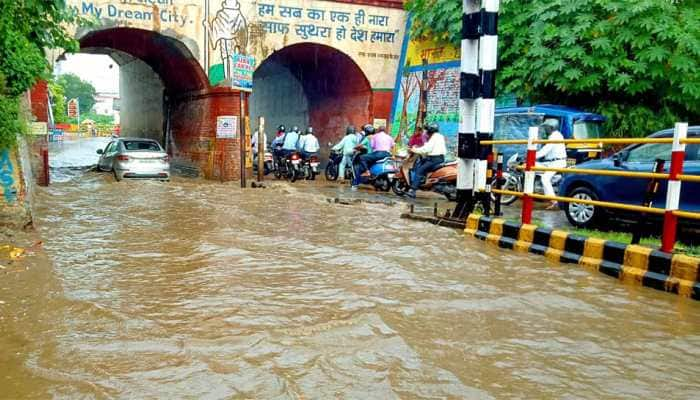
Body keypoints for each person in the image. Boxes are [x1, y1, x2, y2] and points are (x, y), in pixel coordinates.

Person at [408, 123, 447, 198]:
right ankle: (424, 181)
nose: (426, 132)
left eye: (427, 130)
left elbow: (426, 149)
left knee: (419, 171)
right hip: (441, 158)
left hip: (433, 159)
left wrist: (414, 149)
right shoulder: (440, 136)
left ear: (430, 131)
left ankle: (413, 190)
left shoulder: (433, 138)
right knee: (423, 161)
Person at [536, 119, 567, 209]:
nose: (545, 129)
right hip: (551, 162)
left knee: (545, 178)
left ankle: (554, 201)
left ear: (551, 127)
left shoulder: (555, 136)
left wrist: (532, 155)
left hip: (557, 162)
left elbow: (545, 150)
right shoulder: (553, 136)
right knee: (535, 165)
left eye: (546, 127)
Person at [352, 125, 394, 190]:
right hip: (388, 154)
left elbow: (372, 146)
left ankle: (367, 172)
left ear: (378, 130)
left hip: (378, 153)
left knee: (362, 158)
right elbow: (392, 146)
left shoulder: (374, 136)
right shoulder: (389, 137)